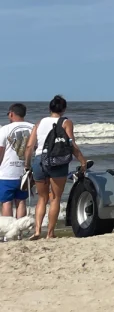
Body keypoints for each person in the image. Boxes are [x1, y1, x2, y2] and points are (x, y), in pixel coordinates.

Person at [26, 96, 87, 240]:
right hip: (57, 161)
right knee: (55, 198)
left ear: (50, 108)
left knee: (42, 198)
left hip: (39, 160)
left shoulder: (40, 122)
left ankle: (37, 231)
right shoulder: (66, 122)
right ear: (64, 109)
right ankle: (50, 233)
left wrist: (27, 165)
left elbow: (29, 146)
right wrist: (82, 161)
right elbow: (72, 145)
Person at [0, 103, 33, 218]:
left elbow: (0, 150)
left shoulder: (5, 129)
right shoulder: (33, 127)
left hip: (7, 172)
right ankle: (19, 233)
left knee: (6, 202)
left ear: (11, 114)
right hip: (25, 172)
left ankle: (9, 233)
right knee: (21, 201)